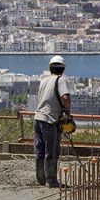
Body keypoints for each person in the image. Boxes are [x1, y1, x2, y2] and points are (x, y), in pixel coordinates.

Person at [33, 55, 71, 188]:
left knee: (40, 151)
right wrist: (67, 111)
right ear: (63, 69)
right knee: (52, 151)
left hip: (38, 119)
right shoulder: (60, 80)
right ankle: (51, 180)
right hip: (50, 120)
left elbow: (40, 98)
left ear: (50, 68)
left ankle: (41, 179)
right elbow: (65, 97)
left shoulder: (44, 80)